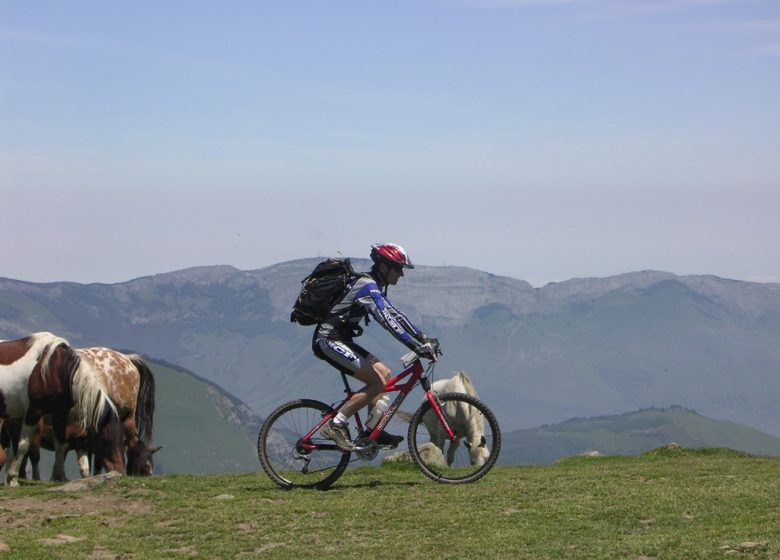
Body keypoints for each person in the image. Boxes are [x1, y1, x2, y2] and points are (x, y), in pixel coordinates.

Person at [313, 243, 438, 451]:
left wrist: (422, 336)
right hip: (329, 340)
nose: (401, 275)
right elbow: (387, 321)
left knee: (384, 373)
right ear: (384, 267)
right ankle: (336, 424)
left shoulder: (374, 287)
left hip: (341, 340)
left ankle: (372, 433)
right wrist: (415, 347)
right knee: (377, 382)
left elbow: (395, 314)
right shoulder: (368, 287)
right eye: (398, 269)